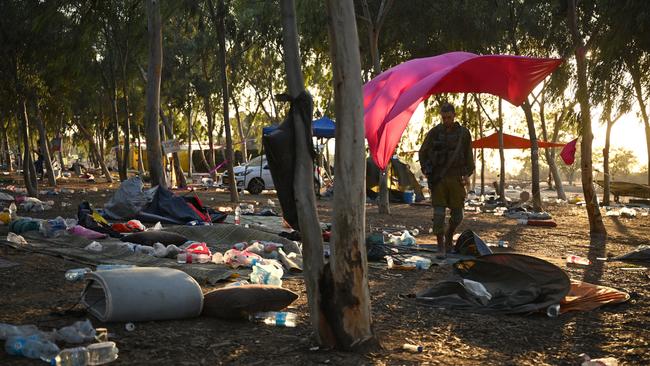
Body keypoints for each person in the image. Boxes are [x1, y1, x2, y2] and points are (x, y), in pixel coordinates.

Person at [419, 102, 474, 258]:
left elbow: (468, 154)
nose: (446, 120)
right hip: (439, 179)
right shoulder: (435, 133)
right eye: (443, 118)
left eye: (449, 117)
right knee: (438, 214)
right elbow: (423, 152)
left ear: (454, 115)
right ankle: (440, 246)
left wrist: (467, 173)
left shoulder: (464, 133)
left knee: (458, 216)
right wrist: (426, 170)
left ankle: (449, 235)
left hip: (456, 178)